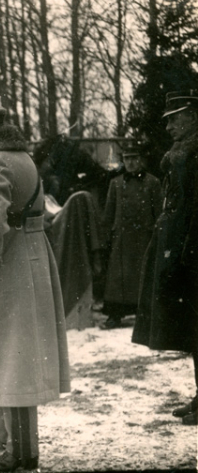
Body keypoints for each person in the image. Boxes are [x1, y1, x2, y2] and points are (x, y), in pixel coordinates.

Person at [0, 102, 70, 472]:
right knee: (5, 351)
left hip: (10, 266)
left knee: (15, 358)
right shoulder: (12, 156)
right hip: (24, 257)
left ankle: (22, 454)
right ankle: (2, 433)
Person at [132, 91, 198, 426]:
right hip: (181, 249)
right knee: (192, 328)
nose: (170, 125)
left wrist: (185, 253)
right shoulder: (181, 154)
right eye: (168, 119)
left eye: (176, 117)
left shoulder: (195, 154)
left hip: (193, 252)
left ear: (194, 116)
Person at [100, 143, 161, 329]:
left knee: (144, 275)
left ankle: (147, 314)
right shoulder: (116, 183)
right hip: (122, 238)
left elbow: (158, 212)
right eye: (127, 159)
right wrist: (107, 234)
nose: (131, 163)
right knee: (119, 278)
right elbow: (109, 212)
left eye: (135, 158)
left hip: (144, 236)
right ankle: (115, 315)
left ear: (141, 160)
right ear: (123, 161)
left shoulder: (153, 183)